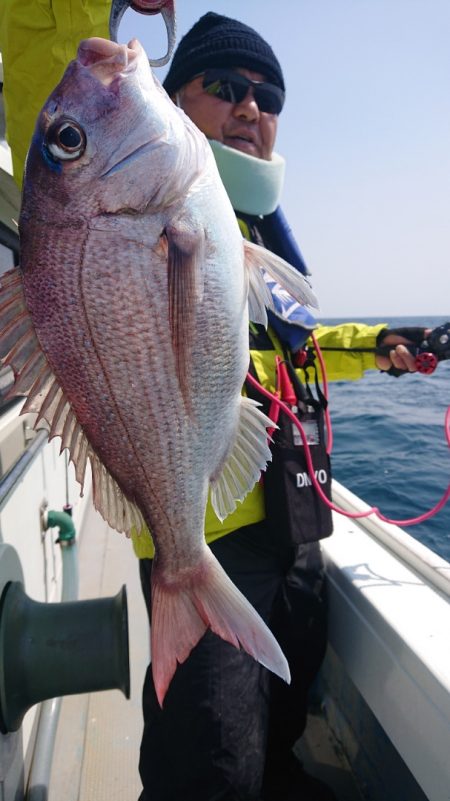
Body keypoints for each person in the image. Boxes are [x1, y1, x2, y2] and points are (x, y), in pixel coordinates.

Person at [0, 6, 434, 801]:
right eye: (226, 86)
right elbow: (44, 53)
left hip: (295, 535)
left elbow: (290, 351)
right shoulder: (103, 170)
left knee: (283, 716)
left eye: (269, 98)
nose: (252, 109)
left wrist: (380, 346)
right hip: (207, 533)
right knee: (208, 766)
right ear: (171, 98)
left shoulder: (244, 226)